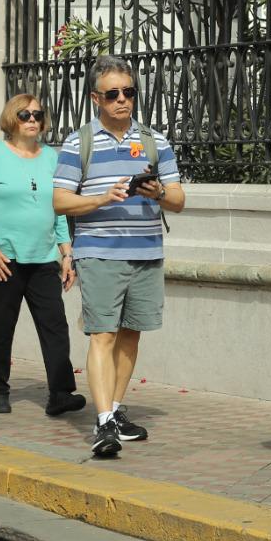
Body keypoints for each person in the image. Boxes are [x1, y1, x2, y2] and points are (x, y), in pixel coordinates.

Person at [53, 55, 185, 459]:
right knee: (103, 334)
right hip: (99, 253)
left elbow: (179, 200)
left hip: (146, 252)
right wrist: (101, 198)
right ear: (96, 98)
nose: (122, 100)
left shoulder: (154, 141)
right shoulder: (78, 143)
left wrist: (158, 193)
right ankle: (103, 421)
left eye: (128, 92)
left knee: (131, 334)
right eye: (113, 94)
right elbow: (59, 201)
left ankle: (112, 411)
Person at [0, 93, 85, 417]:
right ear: (11, 119)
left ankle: (61, 393)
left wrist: (66, 253)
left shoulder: (51, 158)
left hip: (43, 258)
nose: (32, 120)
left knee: (55, 326)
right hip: (1, 260)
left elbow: (58, 209)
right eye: (24, 115)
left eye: (37, 115)